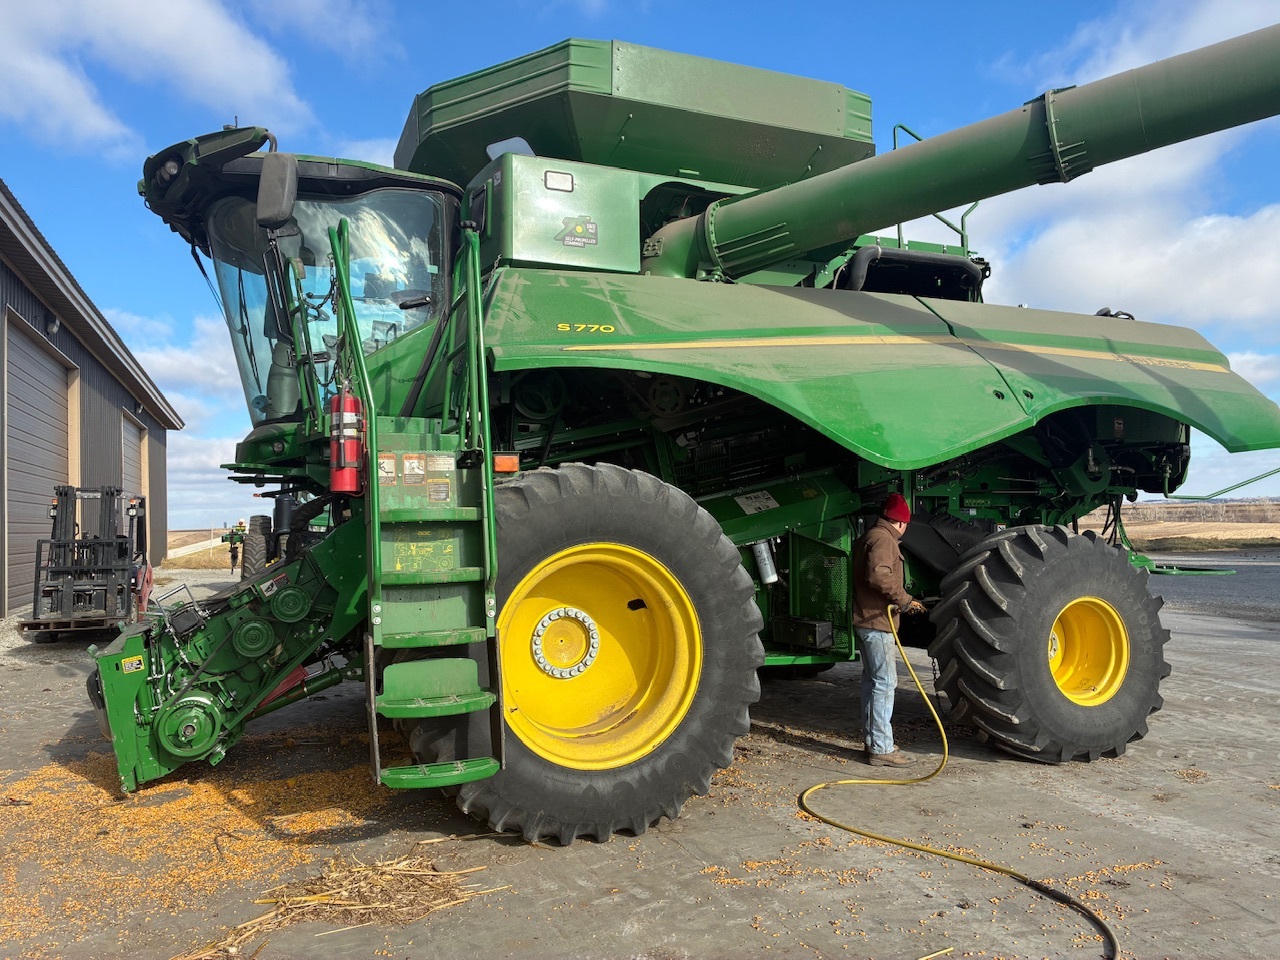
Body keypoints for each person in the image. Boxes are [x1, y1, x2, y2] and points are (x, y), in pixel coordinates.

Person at [852, 493, 926, 766]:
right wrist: (905, 601)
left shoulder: (870, 536)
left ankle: (875, 743)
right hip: (876, 622)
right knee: (884, 683)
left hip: (867, 619)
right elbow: (879, 574)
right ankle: (882, 748)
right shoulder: (884, 540)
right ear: (901, 523)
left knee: (873, 682)